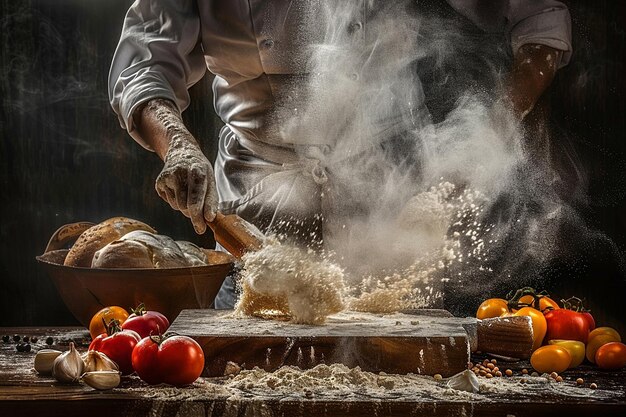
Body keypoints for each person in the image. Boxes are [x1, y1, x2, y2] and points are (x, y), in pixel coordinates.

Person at [109, 0, 572, 308]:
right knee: (254, 371)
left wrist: (486, 134)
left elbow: (538, 18)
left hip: (389, 198)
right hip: (255, 201)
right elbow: (144, 60)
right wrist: (179, 144)